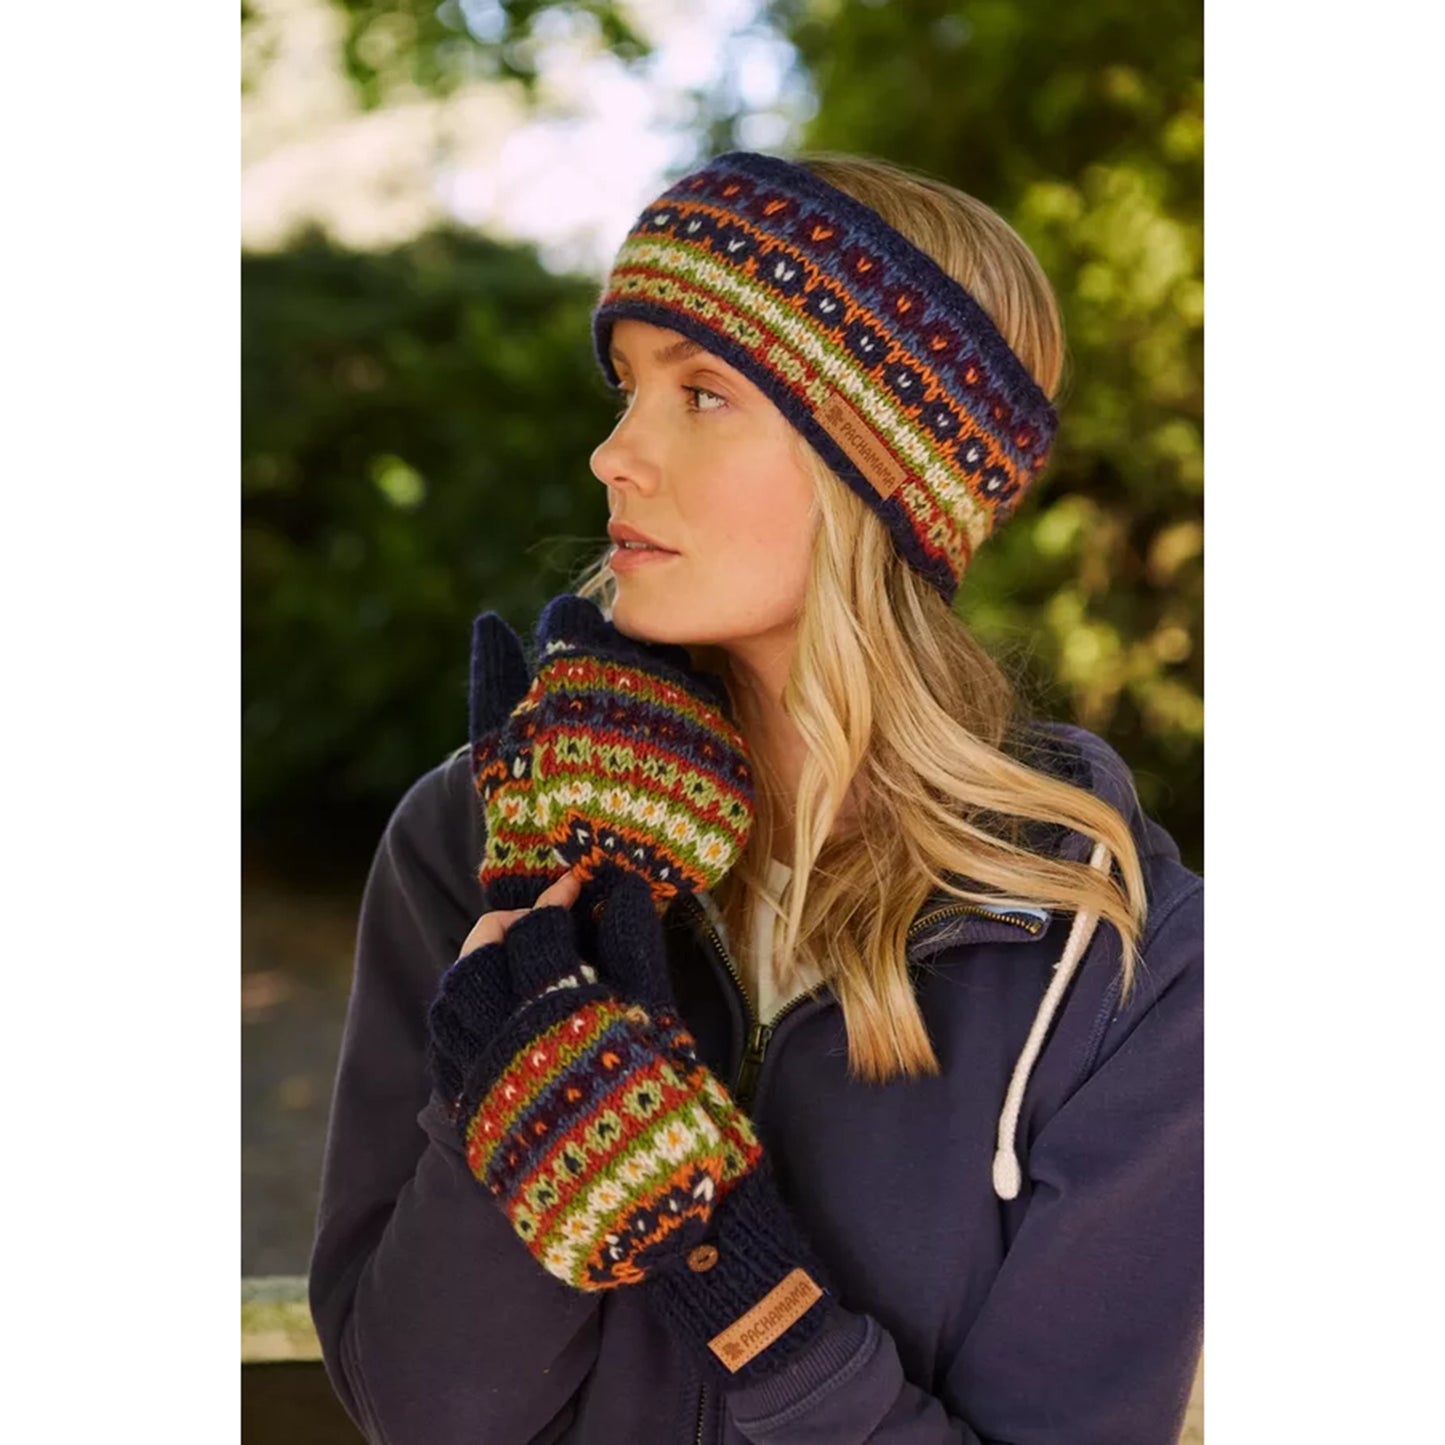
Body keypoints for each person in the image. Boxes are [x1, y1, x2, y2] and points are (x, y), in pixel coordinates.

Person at [308, 150, 1203, 1444]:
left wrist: (746, 1284)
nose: (615, 453)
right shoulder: (479, 833)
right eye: (625, 389)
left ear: (878, 473)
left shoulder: (1111, 956)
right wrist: (526, 1036)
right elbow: (428, 1409)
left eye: (704, 394)